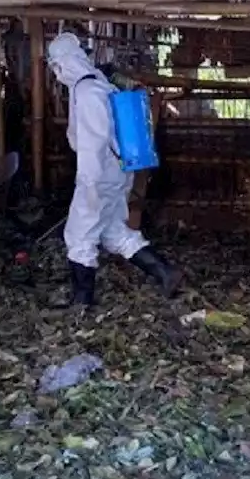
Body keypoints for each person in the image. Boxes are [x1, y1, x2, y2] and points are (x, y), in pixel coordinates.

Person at [46, 32, 181, 305]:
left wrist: (88, 184)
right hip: (116, 172)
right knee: (113, 233)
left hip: (98, 175)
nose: (57, 73)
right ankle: (165, 272)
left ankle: (82, 303)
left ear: (66, 63)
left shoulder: (87, 91)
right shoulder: (100, 84)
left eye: (57, 66)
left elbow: (94, 141)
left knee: (78, 236)